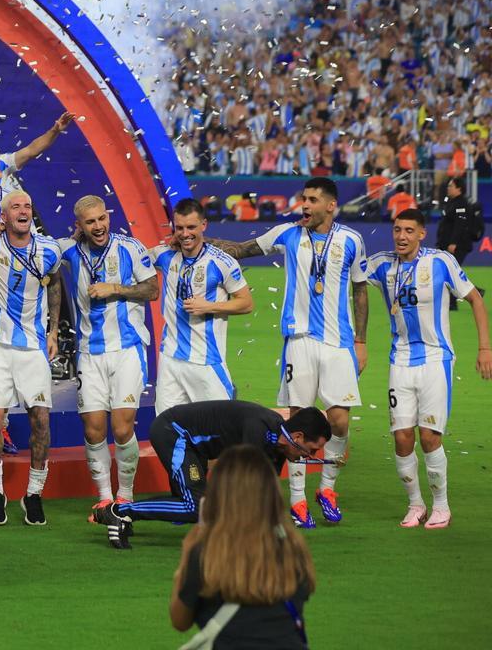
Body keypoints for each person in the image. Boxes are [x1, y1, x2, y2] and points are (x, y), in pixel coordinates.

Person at [210, 177, 368, 529]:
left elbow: (360, 291)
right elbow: (241, 249)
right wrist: (200, 240)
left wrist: (361, 341)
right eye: (303, 199)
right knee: (297, 422)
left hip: (338, 342)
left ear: (331, 205)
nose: (305, 206)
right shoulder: (288, 234)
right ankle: (297, 500)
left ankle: (327, 489)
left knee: (339, 420)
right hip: (298, 340)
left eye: (312, 200)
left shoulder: (351, 241)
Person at [367, 209, 492, 529]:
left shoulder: (440, 262)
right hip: (400, 361)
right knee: (402, 438)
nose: (401, 236)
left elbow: (476, 299)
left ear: (421, 234)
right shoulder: (382, 264)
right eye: (397, 230)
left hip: (436, 359)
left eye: (409, 230)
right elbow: (349, 279)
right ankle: (415, 504)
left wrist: (484, 348)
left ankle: (442, 507)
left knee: (429, 437)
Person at [91, 401, 331, 550]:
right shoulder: (258, 430)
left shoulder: (276, 442)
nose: (308, 457)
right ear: (297, 437)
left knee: (200, 506)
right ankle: (119, 512)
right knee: (197, 507)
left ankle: (125, 514)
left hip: (193, 448)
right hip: (173, 432)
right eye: (311, 450)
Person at [57, 195, 158, 512]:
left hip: (127, 348)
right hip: (89, 353)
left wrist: (115, 288)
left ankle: (125, 495)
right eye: (90, 222)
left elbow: (152, 289)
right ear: (80, 226)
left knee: (123, 427)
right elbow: (38, 249)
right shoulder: (70, 252)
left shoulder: (130, 248)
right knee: (93, 428)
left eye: (102, 219)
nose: (98, 226)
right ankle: (104, 498)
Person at [170, 445, 316, 649]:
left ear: (219, 494)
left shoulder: (207, 552)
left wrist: (186, 555)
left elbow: (180, 620)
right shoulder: (293, 547)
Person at [0, 191, 62, 526]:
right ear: (4, 215)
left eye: (27, 205)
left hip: (34, 347)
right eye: (15, 207)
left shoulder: (49, 249)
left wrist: (53, 331)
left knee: (41, 419)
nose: (23, 211)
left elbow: (53, 283)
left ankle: (34, 494)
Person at [150, 199, 253, 414]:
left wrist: (208, 306)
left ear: (203, 225)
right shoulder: (164, 256)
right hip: (170, 360)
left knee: (219, 428)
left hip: (206, 361)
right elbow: (135, 258)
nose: (185, 234)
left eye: (191, 227)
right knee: (167, 428)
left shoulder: (222, 262)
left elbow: (246, 303)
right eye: (179, 228)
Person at [436, 176, 481, 266]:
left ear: (458, 189)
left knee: (451, 271)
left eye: (451, 186)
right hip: (447, 243)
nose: (448, 188)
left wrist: (453, 243)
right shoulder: (451, 202)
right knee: (445, 271)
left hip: (457, 246)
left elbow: (460, 224)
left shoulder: (461, 204)